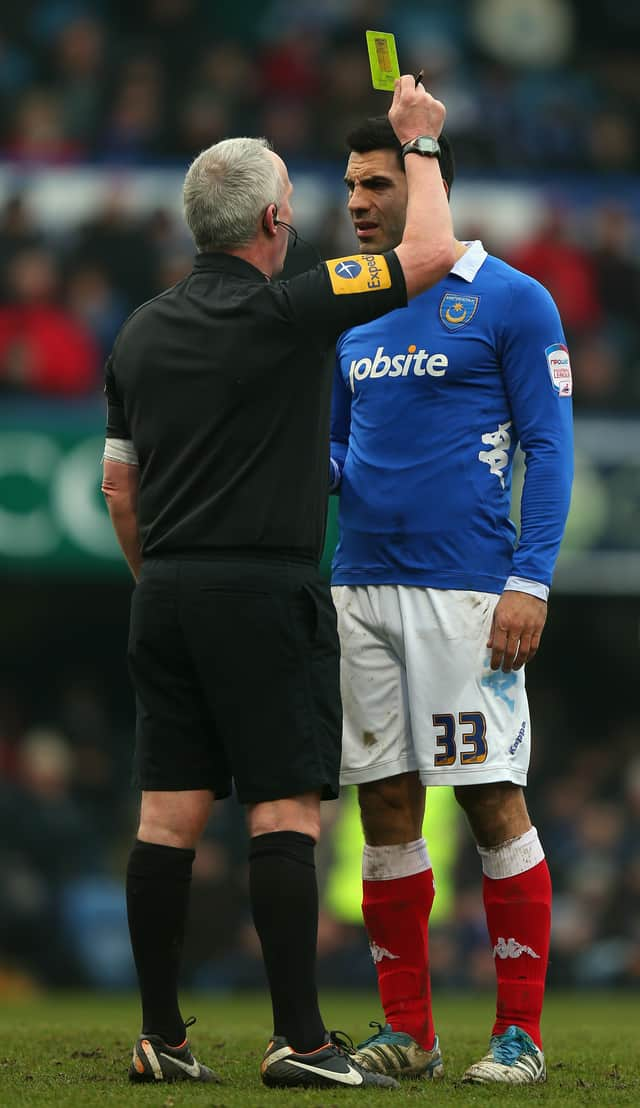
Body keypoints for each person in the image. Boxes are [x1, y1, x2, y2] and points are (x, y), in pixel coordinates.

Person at [101, 77, 456, 1091]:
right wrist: (419, 145)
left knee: (165, 818)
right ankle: (300, 1038)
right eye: (294, 206)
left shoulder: (135, 333)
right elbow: (425, 258)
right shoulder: (292, 307)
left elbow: (118, 488)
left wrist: (162, 579)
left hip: (161, 591)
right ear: (270, 220)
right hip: (262, 589)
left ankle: (161, 1038)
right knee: (283, 812)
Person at [329, 116, 574, 1085]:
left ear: (425, 190)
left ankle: (519, 1033)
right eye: (350, 185)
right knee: (384, 801)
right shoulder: (348, 305)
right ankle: (409, 1033)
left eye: (377, 185)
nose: (356, 202)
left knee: (487, 798)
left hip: (466, 589)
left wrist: (530, 580)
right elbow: (345, 443)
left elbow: (549, 447)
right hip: (359, 581)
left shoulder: (511, 300)